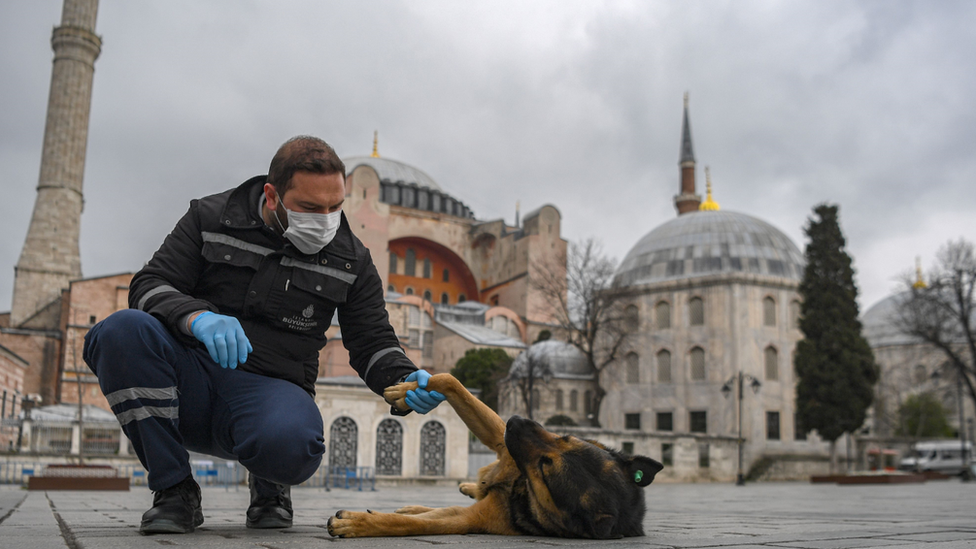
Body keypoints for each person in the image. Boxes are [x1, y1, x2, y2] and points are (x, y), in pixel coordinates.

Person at [83, 136, 445, 535]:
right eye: (309, 208)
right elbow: (150, 284)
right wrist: (196, 317)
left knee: (292, 445)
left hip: (270, 390)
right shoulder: (210, 218)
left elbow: (371, 339)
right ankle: (174, 490)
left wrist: (403, 379)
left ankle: (270, 484)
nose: (325, 219)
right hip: (186, 380)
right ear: (272, 196)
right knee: (120, 331)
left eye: (335, 207)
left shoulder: (351, 259)